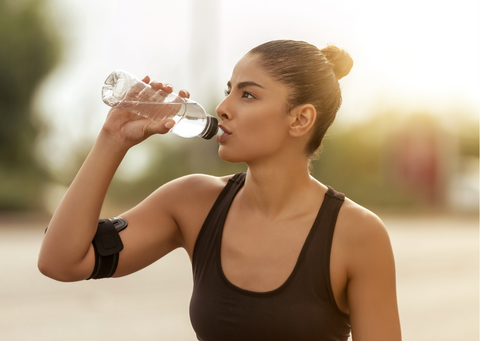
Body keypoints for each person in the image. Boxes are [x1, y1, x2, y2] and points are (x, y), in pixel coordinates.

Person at [38, 40, 402, 341]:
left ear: (300, 118)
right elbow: (62, 261)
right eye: (229, 90)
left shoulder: (357, 235)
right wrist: (112, 139)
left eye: (247, 96)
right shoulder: (192, 202)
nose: (222, 107)